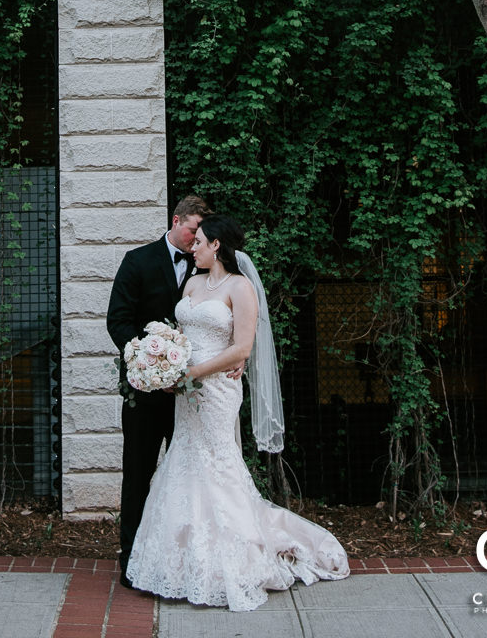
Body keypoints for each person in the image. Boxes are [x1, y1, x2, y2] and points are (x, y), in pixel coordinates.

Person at [124, 214, 349, 612]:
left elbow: (242, 348)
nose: (192, 247)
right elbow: (184, 332)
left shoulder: (241, 287)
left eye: (200, 242)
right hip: (185, 392)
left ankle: (231, 560)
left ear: (217, 246)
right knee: (183, 459)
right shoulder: (192, 283)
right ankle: (178, 565)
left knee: (217, 462)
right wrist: (164, 363)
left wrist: (191, 371)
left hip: (217, 389)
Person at [106, 194, 210, 587]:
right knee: (138, 474)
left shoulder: (209, 270)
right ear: (176, 220)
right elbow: (118, 321)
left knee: (189, 478)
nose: (195, 239)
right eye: (191, 230)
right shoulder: (138, 260)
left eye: (201, 234)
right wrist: (152, 367)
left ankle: (184, 559)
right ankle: (131, 558)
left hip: (194, 396)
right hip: (147, 392)